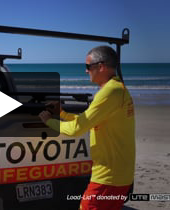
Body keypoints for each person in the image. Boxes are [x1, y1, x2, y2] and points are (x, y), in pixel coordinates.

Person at [39, 46, 135, 210]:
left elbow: (77, 129)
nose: (86, 71)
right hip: (121, 175)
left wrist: (49, 121)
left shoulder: (109, 92)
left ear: (101, 66)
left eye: (88, 66)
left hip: (107, 177)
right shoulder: (119, 89)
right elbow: (89, 122)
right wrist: (62, 113)